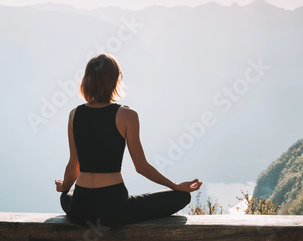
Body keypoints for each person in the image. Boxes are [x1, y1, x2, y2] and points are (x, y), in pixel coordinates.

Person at [56, 53, 202, 226]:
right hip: (114, 210)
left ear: (87, 80)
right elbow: (141, 167)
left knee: (65, 197)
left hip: (80, 211)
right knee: (182, 197)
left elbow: (74, 165)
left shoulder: (74, 114)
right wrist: (176, 186)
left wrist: (64, 186)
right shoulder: (127, 115)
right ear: (115, 80)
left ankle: (73, 200)